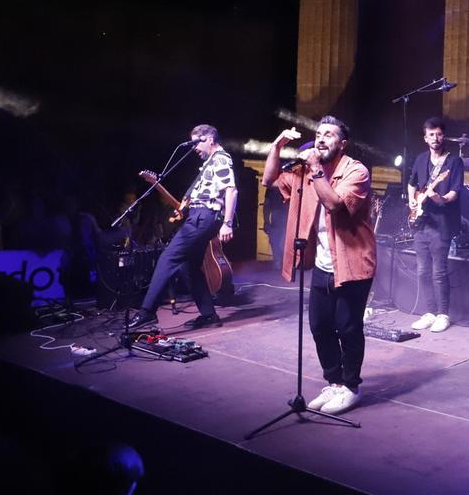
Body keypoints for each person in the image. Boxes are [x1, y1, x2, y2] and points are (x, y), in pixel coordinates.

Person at [264, 116, 374, 416]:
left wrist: (314, 170)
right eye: (319, 133)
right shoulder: (304, 171)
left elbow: (335, 205)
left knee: (348, 327)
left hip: (353, 262)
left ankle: (351, 387)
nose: (321, 138)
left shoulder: (356, 171)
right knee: (320, 326)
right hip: (324, 265)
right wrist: (277, 146)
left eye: (329, 134)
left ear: (342, 143)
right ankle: (334, 382)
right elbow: (270, 180)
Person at [127, 125, 237, 331]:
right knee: (188, 266)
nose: (195, 148)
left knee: (169, 258)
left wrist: (227, 222)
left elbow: (231, 190)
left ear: (210, 139)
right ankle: (209, 314)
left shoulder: (221, 158)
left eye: (197, 142)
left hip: (204, 217)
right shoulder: (209, 163)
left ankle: (147, 312)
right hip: (198, 215)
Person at [407, 117, 463, 333]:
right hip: (421, 222)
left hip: (442, 224)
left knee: (438, 271)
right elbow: (412, 184)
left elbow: (455, 192)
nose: (436, 138)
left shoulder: (453, 162)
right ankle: (429, 312)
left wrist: (440, 199)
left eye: (439, 134)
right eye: (431, 134)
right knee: (422, 271)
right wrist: (412, 200)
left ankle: (443, 314)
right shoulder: (421, 159)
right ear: (425, 138)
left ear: (443, 136)